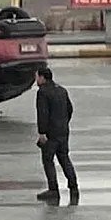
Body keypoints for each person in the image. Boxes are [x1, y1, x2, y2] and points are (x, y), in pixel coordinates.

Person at [34, 66, 79, 204]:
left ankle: (53, 189)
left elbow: (43, 113)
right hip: (63, 131)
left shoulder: (43, 92)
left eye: (36, 76)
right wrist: (63, 123)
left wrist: (42, 132)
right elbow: (70, 109)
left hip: (50, 133)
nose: (35, 79)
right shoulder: (61, 90)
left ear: (42, 77)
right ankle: (74, 187)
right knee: (64, 158)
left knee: (48, 161)